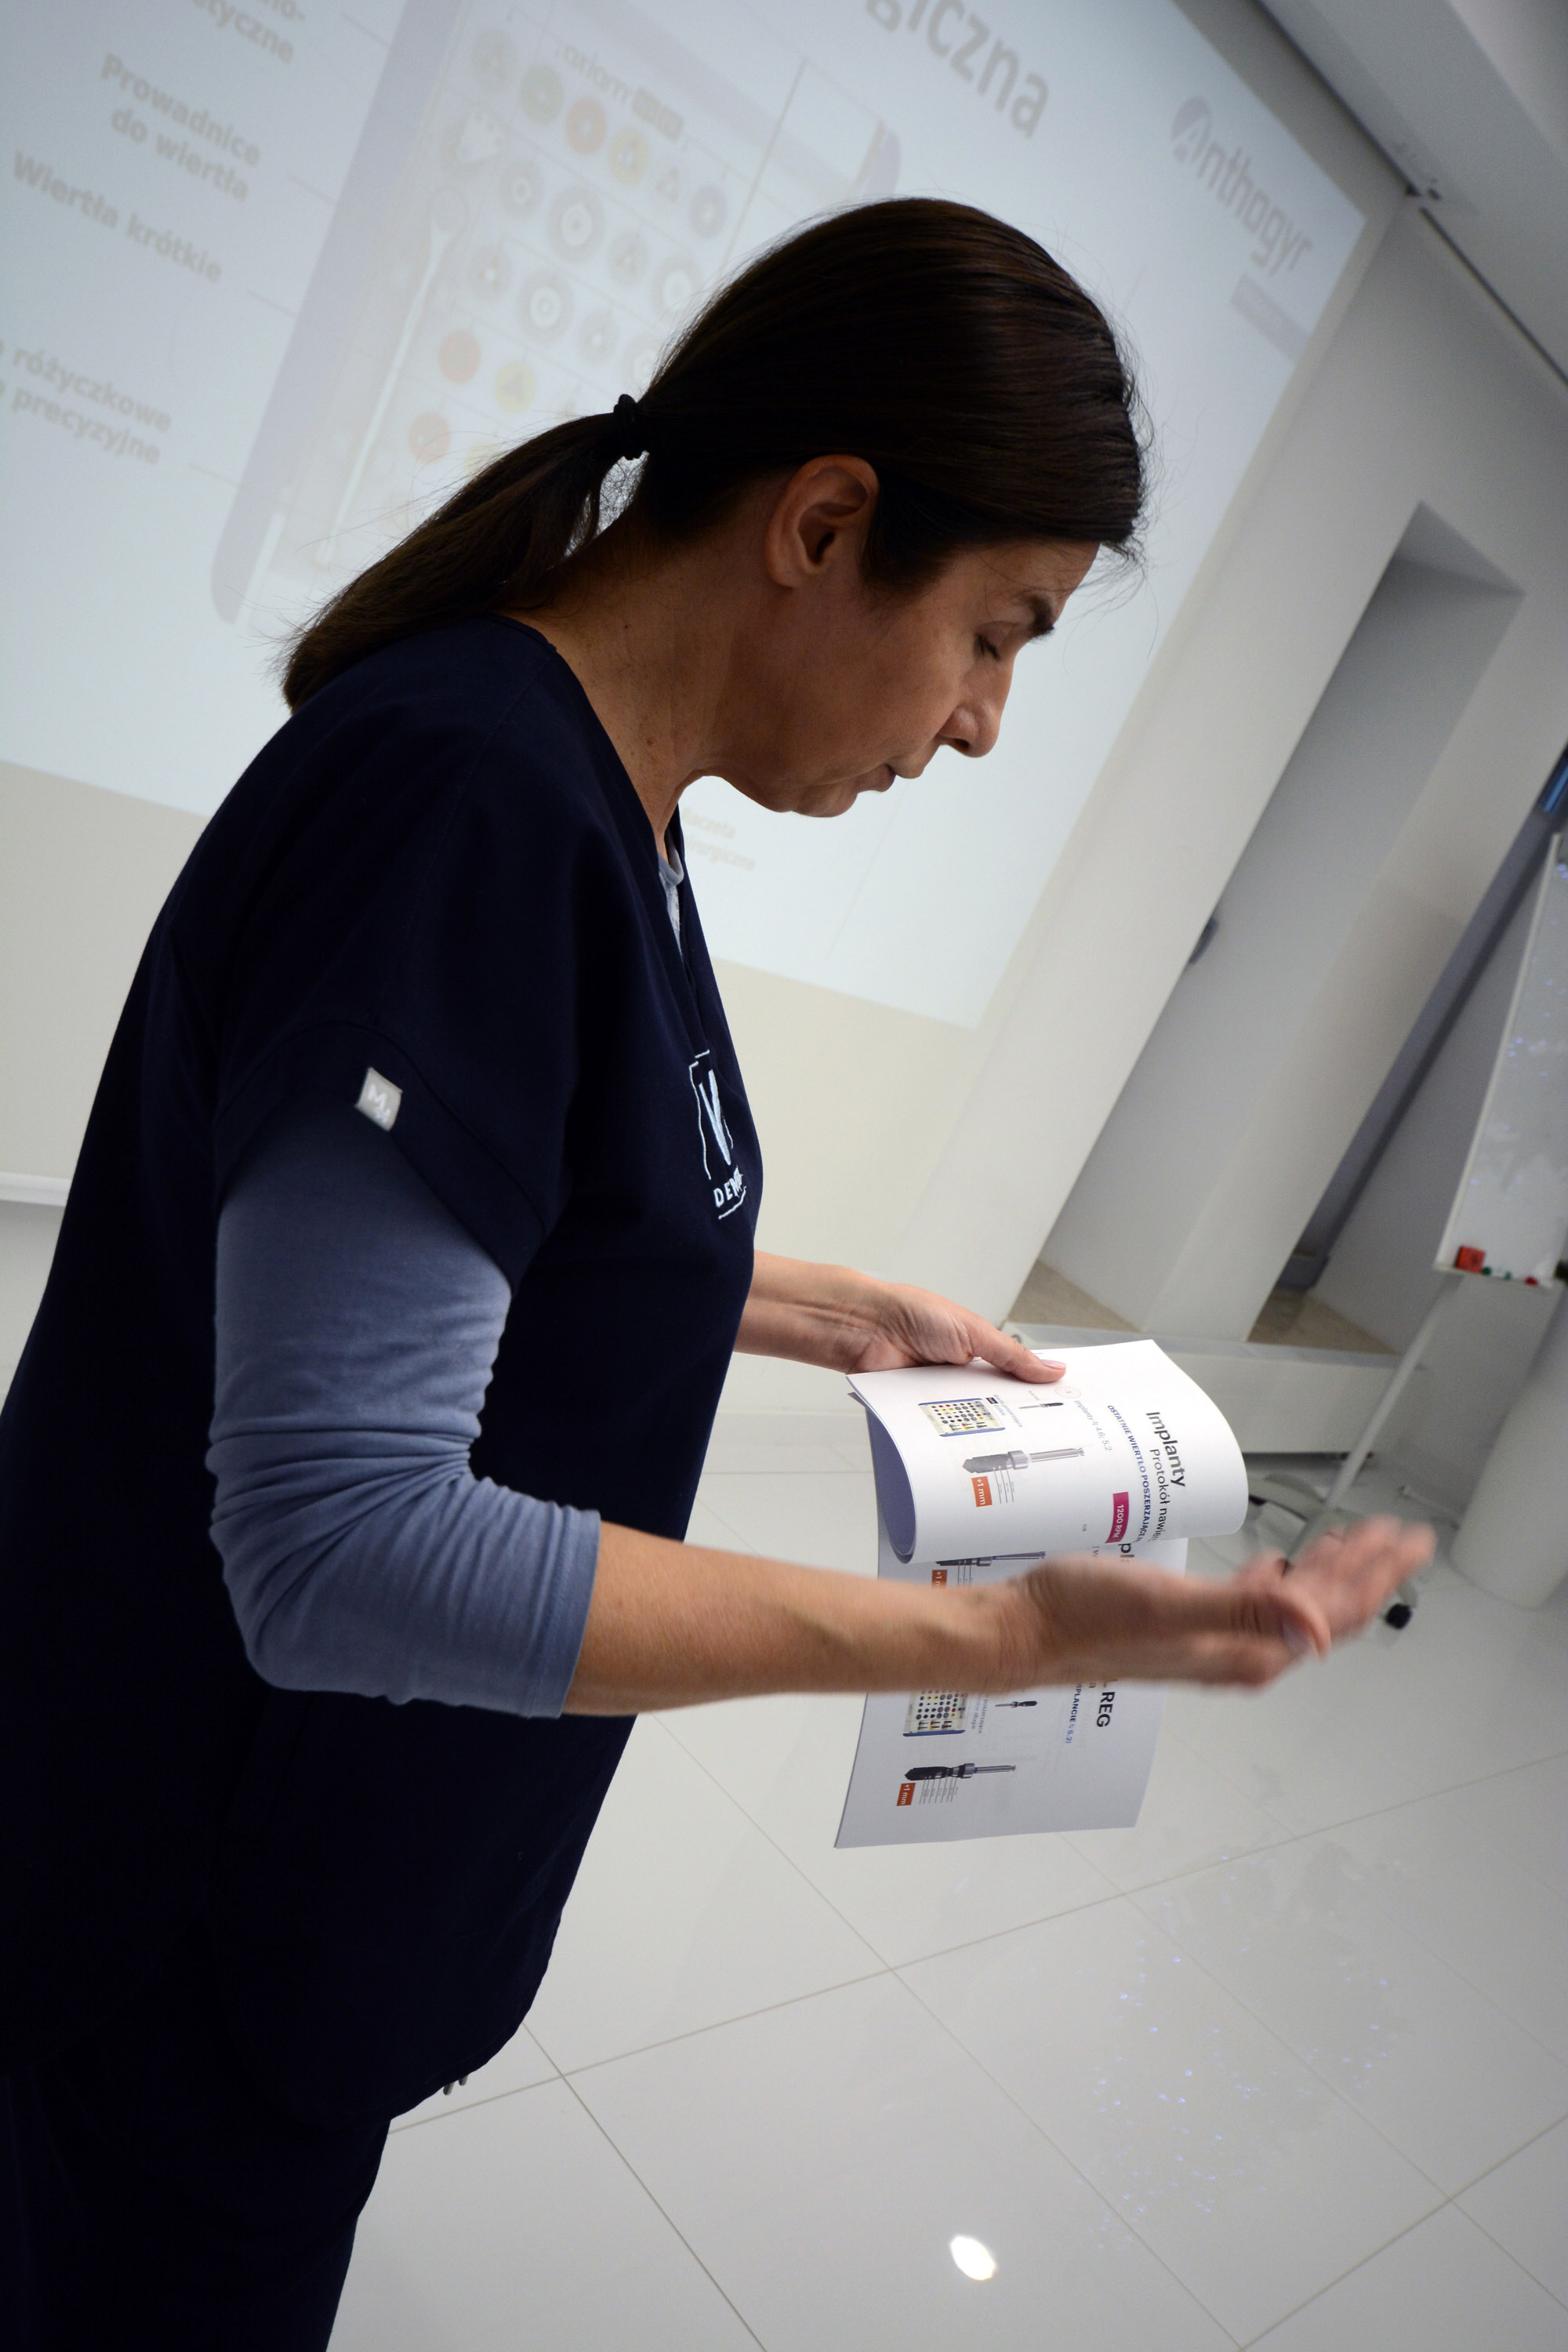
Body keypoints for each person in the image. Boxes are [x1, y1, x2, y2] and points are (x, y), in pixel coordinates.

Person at [0, 197, 1432, 2347]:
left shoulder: (611, 805)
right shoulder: (471, 806)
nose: (985, 722)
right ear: (826, 523)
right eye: (998, 633)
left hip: (292, 1902)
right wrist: (992, 1637)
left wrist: (836, 1314)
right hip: (176, 1918)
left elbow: (519, 1208)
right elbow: (338, 1542)